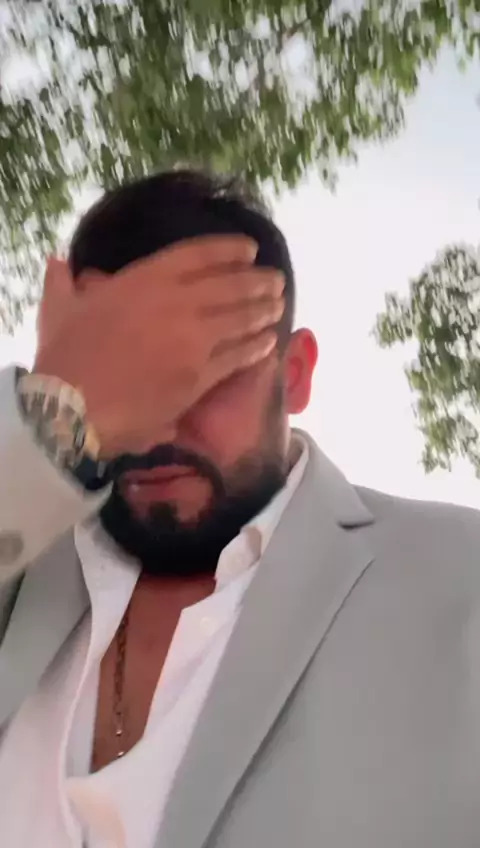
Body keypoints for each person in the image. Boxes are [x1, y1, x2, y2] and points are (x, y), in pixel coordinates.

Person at [0, 168, 480, 848]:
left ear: (295, 372)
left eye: (209, 367)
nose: (156, 425)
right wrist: (48, 426)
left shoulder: (460, 580)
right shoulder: (23, 563)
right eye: (122, 379)